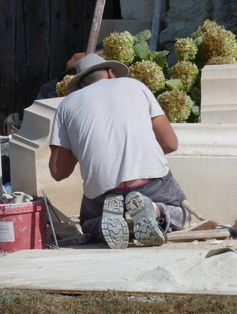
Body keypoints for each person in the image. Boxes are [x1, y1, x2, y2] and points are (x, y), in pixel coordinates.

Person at [48, 53, 190, 249]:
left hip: (102, 191)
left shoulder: (67, 105)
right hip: (150, 182)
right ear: (110, 72)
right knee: (182, 212)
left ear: (81, 84)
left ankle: (115, 223)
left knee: (89, 224)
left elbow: (58, 172)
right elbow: (170, 143)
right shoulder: (135, 86)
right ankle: (154, 209)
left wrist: (79, 143)